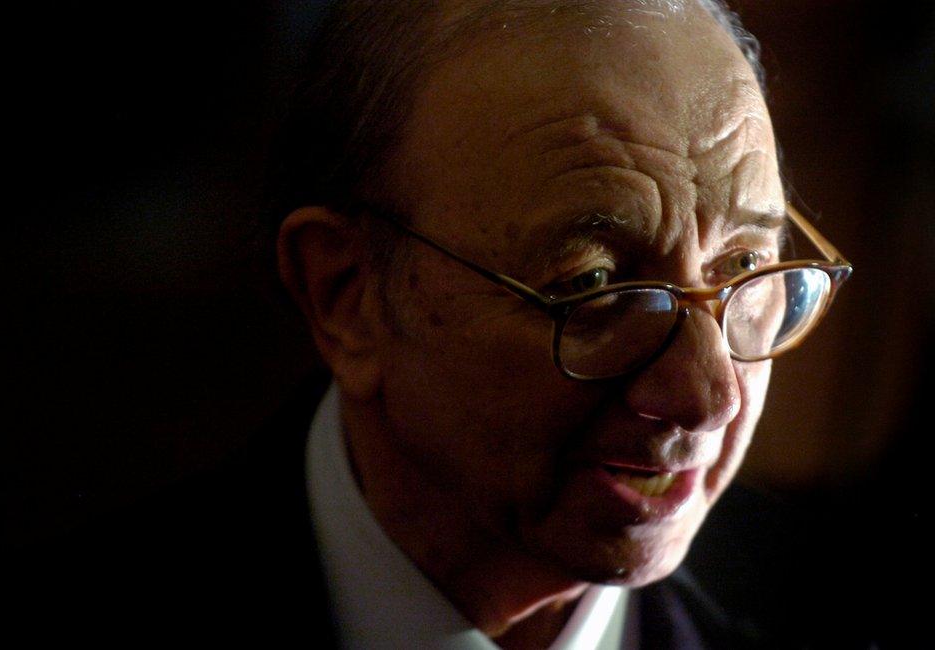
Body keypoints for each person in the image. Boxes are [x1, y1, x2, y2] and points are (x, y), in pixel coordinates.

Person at [274, 0, 851, 648]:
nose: (710, 398)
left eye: (745, 263)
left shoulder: (851, 618)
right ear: (346, 296)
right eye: (594, 285)